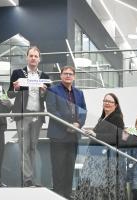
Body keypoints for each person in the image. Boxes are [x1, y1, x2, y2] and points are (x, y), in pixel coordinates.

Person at [7, 46, 50, 187]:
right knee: (24, 147)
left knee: (33, 147)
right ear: (27, 57)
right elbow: (9, 94)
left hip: (38, 115)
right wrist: (15, 88)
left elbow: (48, 98)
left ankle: (33, 178)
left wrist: (44, 92)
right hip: (22, 115)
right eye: (31, 55)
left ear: (39, 59)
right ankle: (28, 179)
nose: (33, 58)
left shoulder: (44, 76)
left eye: (36, 56)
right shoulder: (17, 73)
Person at [75, 93, 127, 200]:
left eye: (110, 101)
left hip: (106, 160)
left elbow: (116, 137)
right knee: (92, 185)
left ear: (116, 105)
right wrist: (91, 133)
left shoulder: (117, 118)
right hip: (96, 158)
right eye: (105, 101)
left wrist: (96, 135)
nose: (107, 103)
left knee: (101, 187)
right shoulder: (103, 117)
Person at [46, 66, 87, 199]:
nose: (68, 76)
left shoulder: (79, 93)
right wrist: (67, 125)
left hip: (73, 136)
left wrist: (78, 124)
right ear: (61, 75)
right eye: (65, 74)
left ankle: (68, 195)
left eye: (70, 74)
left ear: (74, 76)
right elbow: (52, 110)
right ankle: (58, 196)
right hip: (58, 135)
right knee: (58, 169)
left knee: (70, 169)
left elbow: (83, 111)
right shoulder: (53, 90)